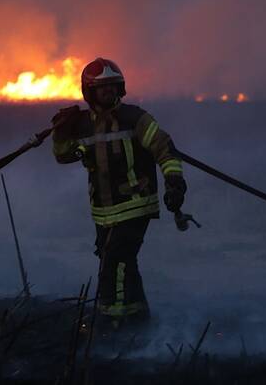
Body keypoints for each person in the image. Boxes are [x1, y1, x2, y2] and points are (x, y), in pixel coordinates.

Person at [51, 57, 187, 327]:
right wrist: (61, 132)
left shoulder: (135, 118)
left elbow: (163, 147)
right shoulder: (82, 124)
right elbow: (63, 156)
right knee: (119, 260)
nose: (109, 92)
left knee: (115, 263)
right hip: (103, 211)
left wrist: (174, 181)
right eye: (102, 88)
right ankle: (138, 315)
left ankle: (113, 324)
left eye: (113, 87)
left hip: (136, 204)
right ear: (90, 92)